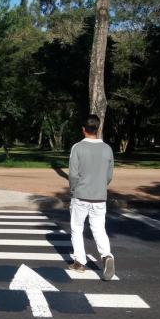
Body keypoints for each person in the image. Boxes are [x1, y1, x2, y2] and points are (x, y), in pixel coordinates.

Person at [68, 114, 115, 281]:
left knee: (77, 228)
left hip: (81, 195)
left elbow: (73, 174)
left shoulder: (77, 148)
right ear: (98, 128)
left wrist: (73, 190)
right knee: (99, 229)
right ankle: (106, 255)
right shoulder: (107, 149)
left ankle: (80, 262)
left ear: (83, 129)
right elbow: (109, 176)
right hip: (100, 196)